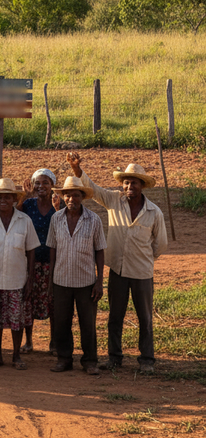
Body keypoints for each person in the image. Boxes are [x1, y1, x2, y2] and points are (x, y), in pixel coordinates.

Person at [67, 153, 168, 374]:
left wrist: (144, 258)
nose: (129, 185)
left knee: (145, 318)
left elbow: (160, 245)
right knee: (115, 316)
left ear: (142, 185)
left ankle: (147, 361)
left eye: (134, 182)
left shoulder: (154, 212)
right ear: (122, 185)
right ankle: (114, 358)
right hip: (118, 271)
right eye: (126, 182)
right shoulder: (113, 200)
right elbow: (92, 188)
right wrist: (77, 170)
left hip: (142, 273)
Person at [0, 178, 40, 370]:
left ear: (14, 198)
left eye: (7, 197)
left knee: (16, 320)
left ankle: (16, 356)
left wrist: (29, 280)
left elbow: (31, 251)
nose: (3, 200)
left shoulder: (25, 221)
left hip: (17, 280)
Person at [46, 176, 107, 375]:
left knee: (87, 323)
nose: (72, 199)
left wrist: (99, 281)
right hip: (61, 279)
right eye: (68, 195)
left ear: (82, 197)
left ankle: (90, 361)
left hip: (86, 281)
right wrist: (50, 281)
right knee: (62, 322)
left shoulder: (93, 219)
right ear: (62, 197)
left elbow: (99, 250)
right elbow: (52, 250)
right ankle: (64, 359)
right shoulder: (56, 219)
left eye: (76, 195)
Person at [16, 169, 61, 355]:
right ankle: (28, 341)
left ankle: (54, 341)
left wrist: (59, 209)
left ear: (52, 186)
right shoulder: (28, 204)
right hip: (30, 261)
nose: (41, 186)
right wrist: (24, 196)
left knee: (53, 302)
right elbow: (15, 216)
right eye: (37, 183)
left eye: (45, 183)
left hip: (53, 262)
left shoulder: (58, 205)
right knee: (29, 300)